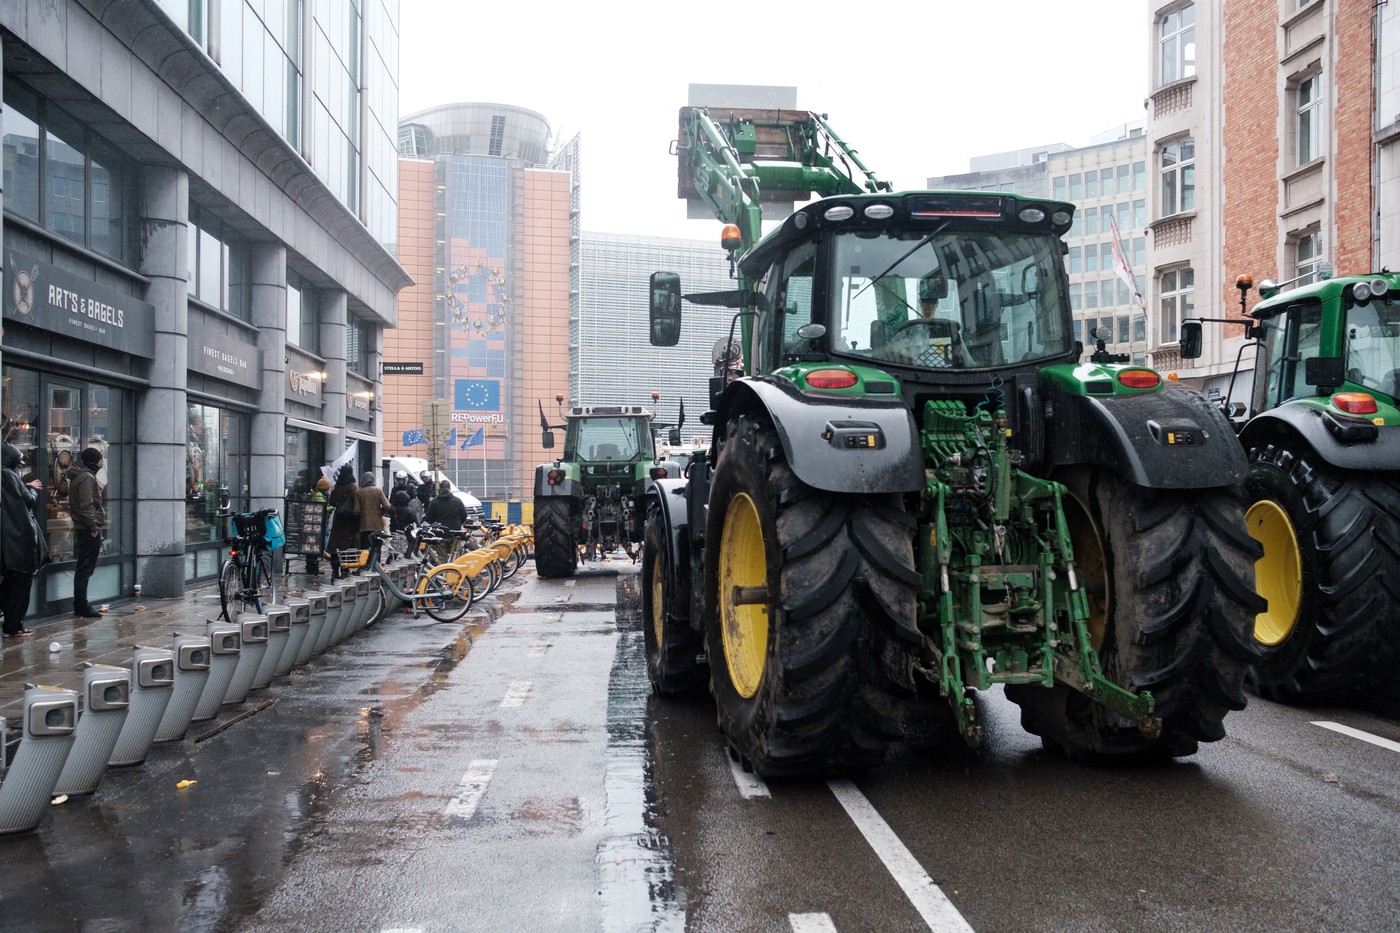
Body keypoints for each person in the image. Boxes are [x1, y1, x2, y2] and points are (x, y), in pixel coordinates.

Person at [1, 443, 47, 637]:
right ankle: (14, 625)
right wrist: (33, 490)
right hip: (19, 539)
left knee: (11, 582)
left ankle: (12, 623)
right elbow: (29, 500)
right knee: (20, 585)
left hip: (7, 541)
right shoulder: (9, 475)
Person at [68, 446, 106, 618]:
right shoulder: (86, 477)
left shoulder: (81, 476)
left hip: (84, 527)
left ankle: (80, 604)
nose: (101, 463)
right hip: (87, 529)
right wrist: (93, 528)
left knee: (84, 568)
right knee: (85, 569)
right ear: (94, 462)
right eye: (100, 460)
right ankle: (81, 606)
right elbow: (86, 506)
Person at [325, 465, 359, 579]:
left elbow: (332, 502)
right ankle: (345, 569)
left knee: (336, 546)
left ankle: (335, 570)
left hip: (338, 519)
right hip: (349, 521)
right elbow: (356, 502)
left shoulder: (337, 486)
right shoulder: (352, 486)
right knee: (347, 546)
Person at [352, 470, 391, 551]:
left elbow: (356, 510)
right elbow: (387, 505)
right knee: (376, 547)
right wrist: (380, 512)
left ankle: (367, 563)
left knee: (365, 549)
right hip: (377, 525)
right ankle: (376, 562)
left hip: (364, 525)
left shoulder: (359, 491)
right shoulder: (378, 490)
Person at [303, 477, 330, 578]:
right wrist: (332, 507)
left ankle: (312, 567)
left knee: (313, 546)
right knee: (318, 546)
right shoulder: (319, 495)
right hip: (319, 523)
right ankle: (313, 567)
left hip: (315, 523)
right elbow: (322, 508)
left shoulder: (317, 494)